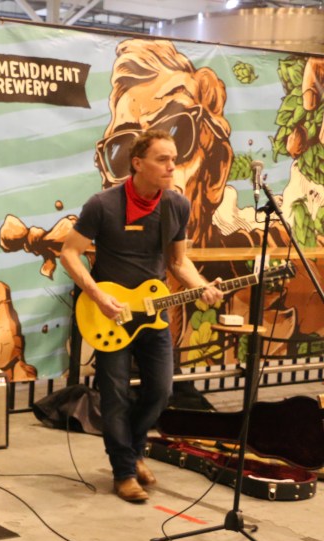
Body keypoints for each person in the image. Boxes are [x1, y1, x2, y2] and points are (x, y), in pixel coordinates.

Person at [60, 129, 223, 503]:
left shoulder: (176, 206)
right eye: (163, 159)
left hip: (153, 312)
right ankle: (123, 471)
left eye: (174, 159)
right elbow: (69, 253)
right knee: (115, 395)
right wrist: (98, 295)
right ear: (138, 163)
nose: (171, 166)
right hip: (110, 313)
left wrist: (203, 287)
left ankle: (132, 453)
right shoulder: (103, 205)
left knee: (161, 390)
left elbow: (179, 263)